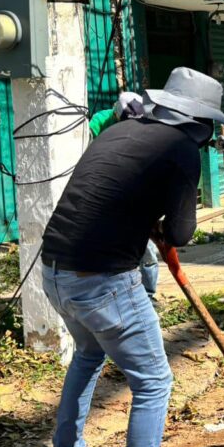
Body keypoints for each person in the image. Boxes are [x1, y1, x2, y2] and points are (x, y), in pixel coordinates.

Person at [37, 67, 224, 447]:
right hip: (104, 278)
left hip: (55, 269)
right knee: (153, 382)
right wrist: (162, 223)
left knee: (87, 355)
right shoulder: (181, 150)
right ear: (200, 123)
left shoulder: (124, 127)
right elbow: (182, 232)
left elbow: (112, 193)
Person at [89, 93, 162, 298]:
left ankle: (149, 294)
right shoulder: (100, 122)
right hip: (108, 190)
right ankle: (115, 292)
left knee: (146, 248)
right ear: (116, 114)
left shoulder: (147, 121)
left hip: (137, 188)